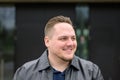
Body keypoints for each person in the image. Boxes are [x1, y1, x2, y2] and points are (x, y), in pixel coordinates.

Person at [13, 15, 104, 80]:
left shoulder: (91, 72)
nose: (70, 43)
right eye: (63, 38)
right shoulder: (25, 73)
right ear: (47, 41)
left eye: (73, 38)